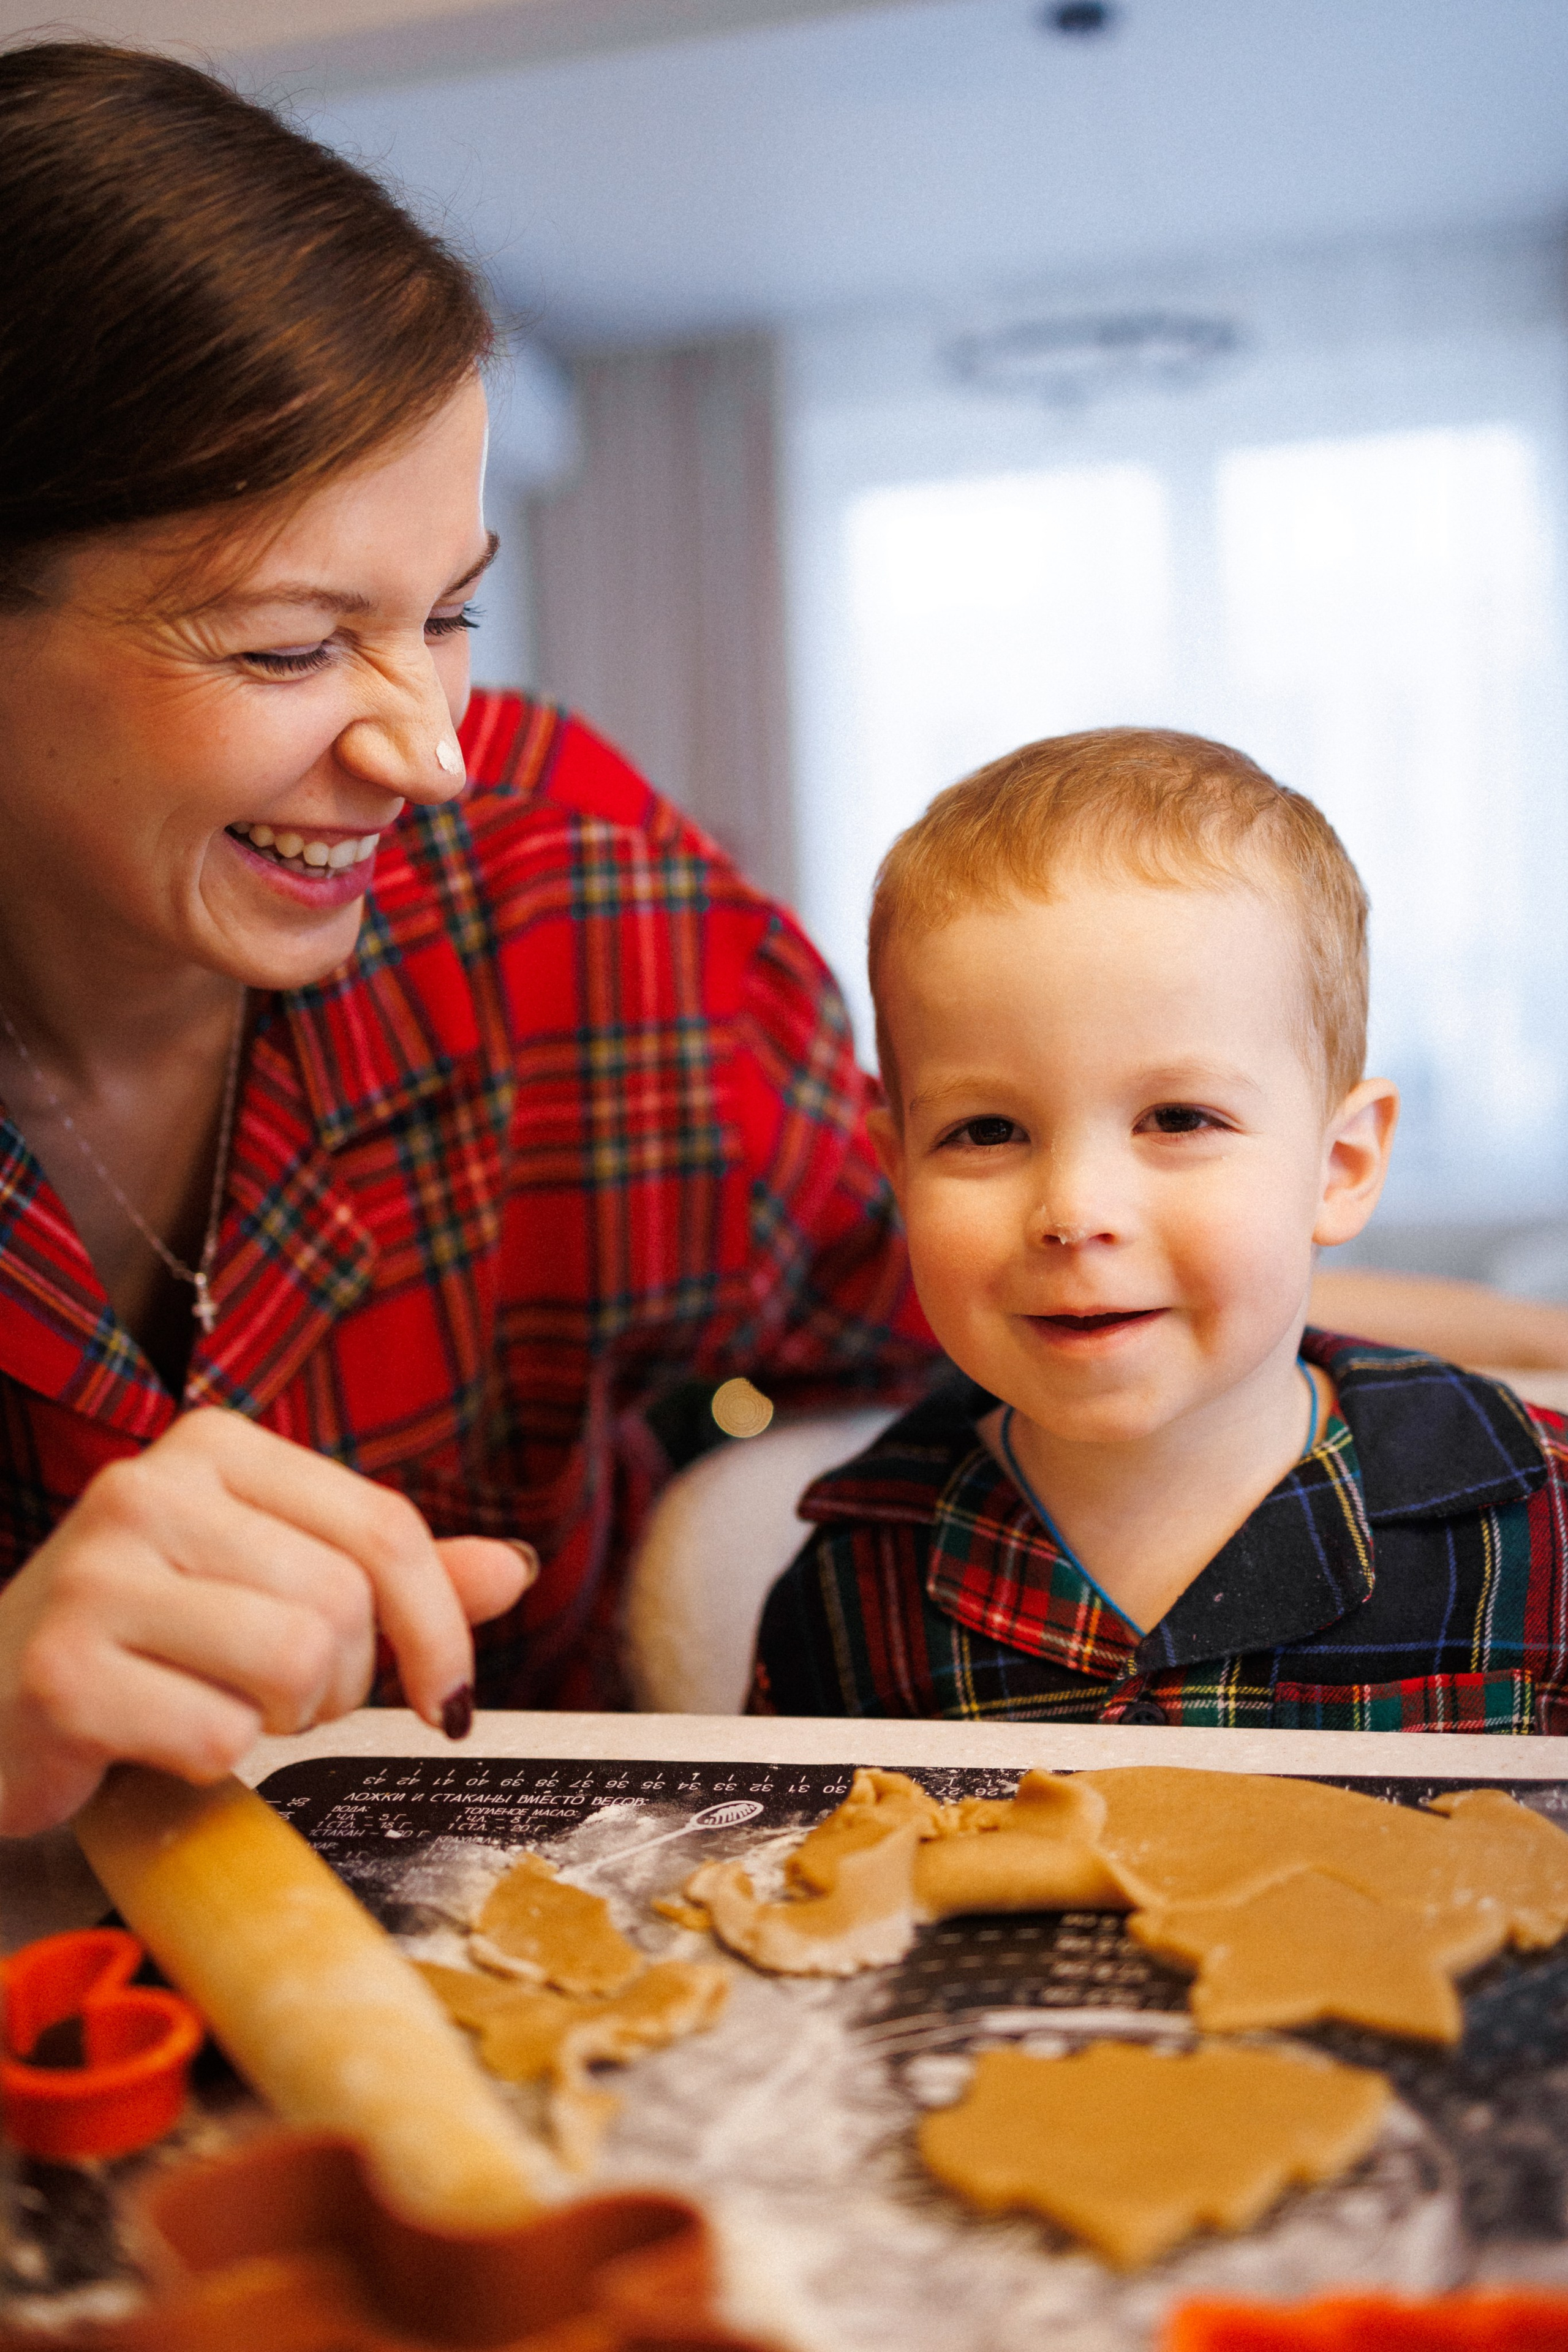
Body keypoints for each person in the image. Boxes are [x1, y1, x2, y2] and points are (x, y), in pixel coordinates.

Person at [0, 42, 934, 1838]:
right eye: (285, 647)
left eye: (449, 613)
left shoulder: (560, 892)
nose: (424, 753)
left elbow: (1007, 1287)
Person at [750, 729, 1568, 1730]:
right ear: (902, 1177)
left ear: (1340, 1168)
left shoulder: (1546, 1526)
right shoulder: (844, 1590)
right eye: (987, 1131)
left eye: (1178, 1119)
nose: (1075, 1214)